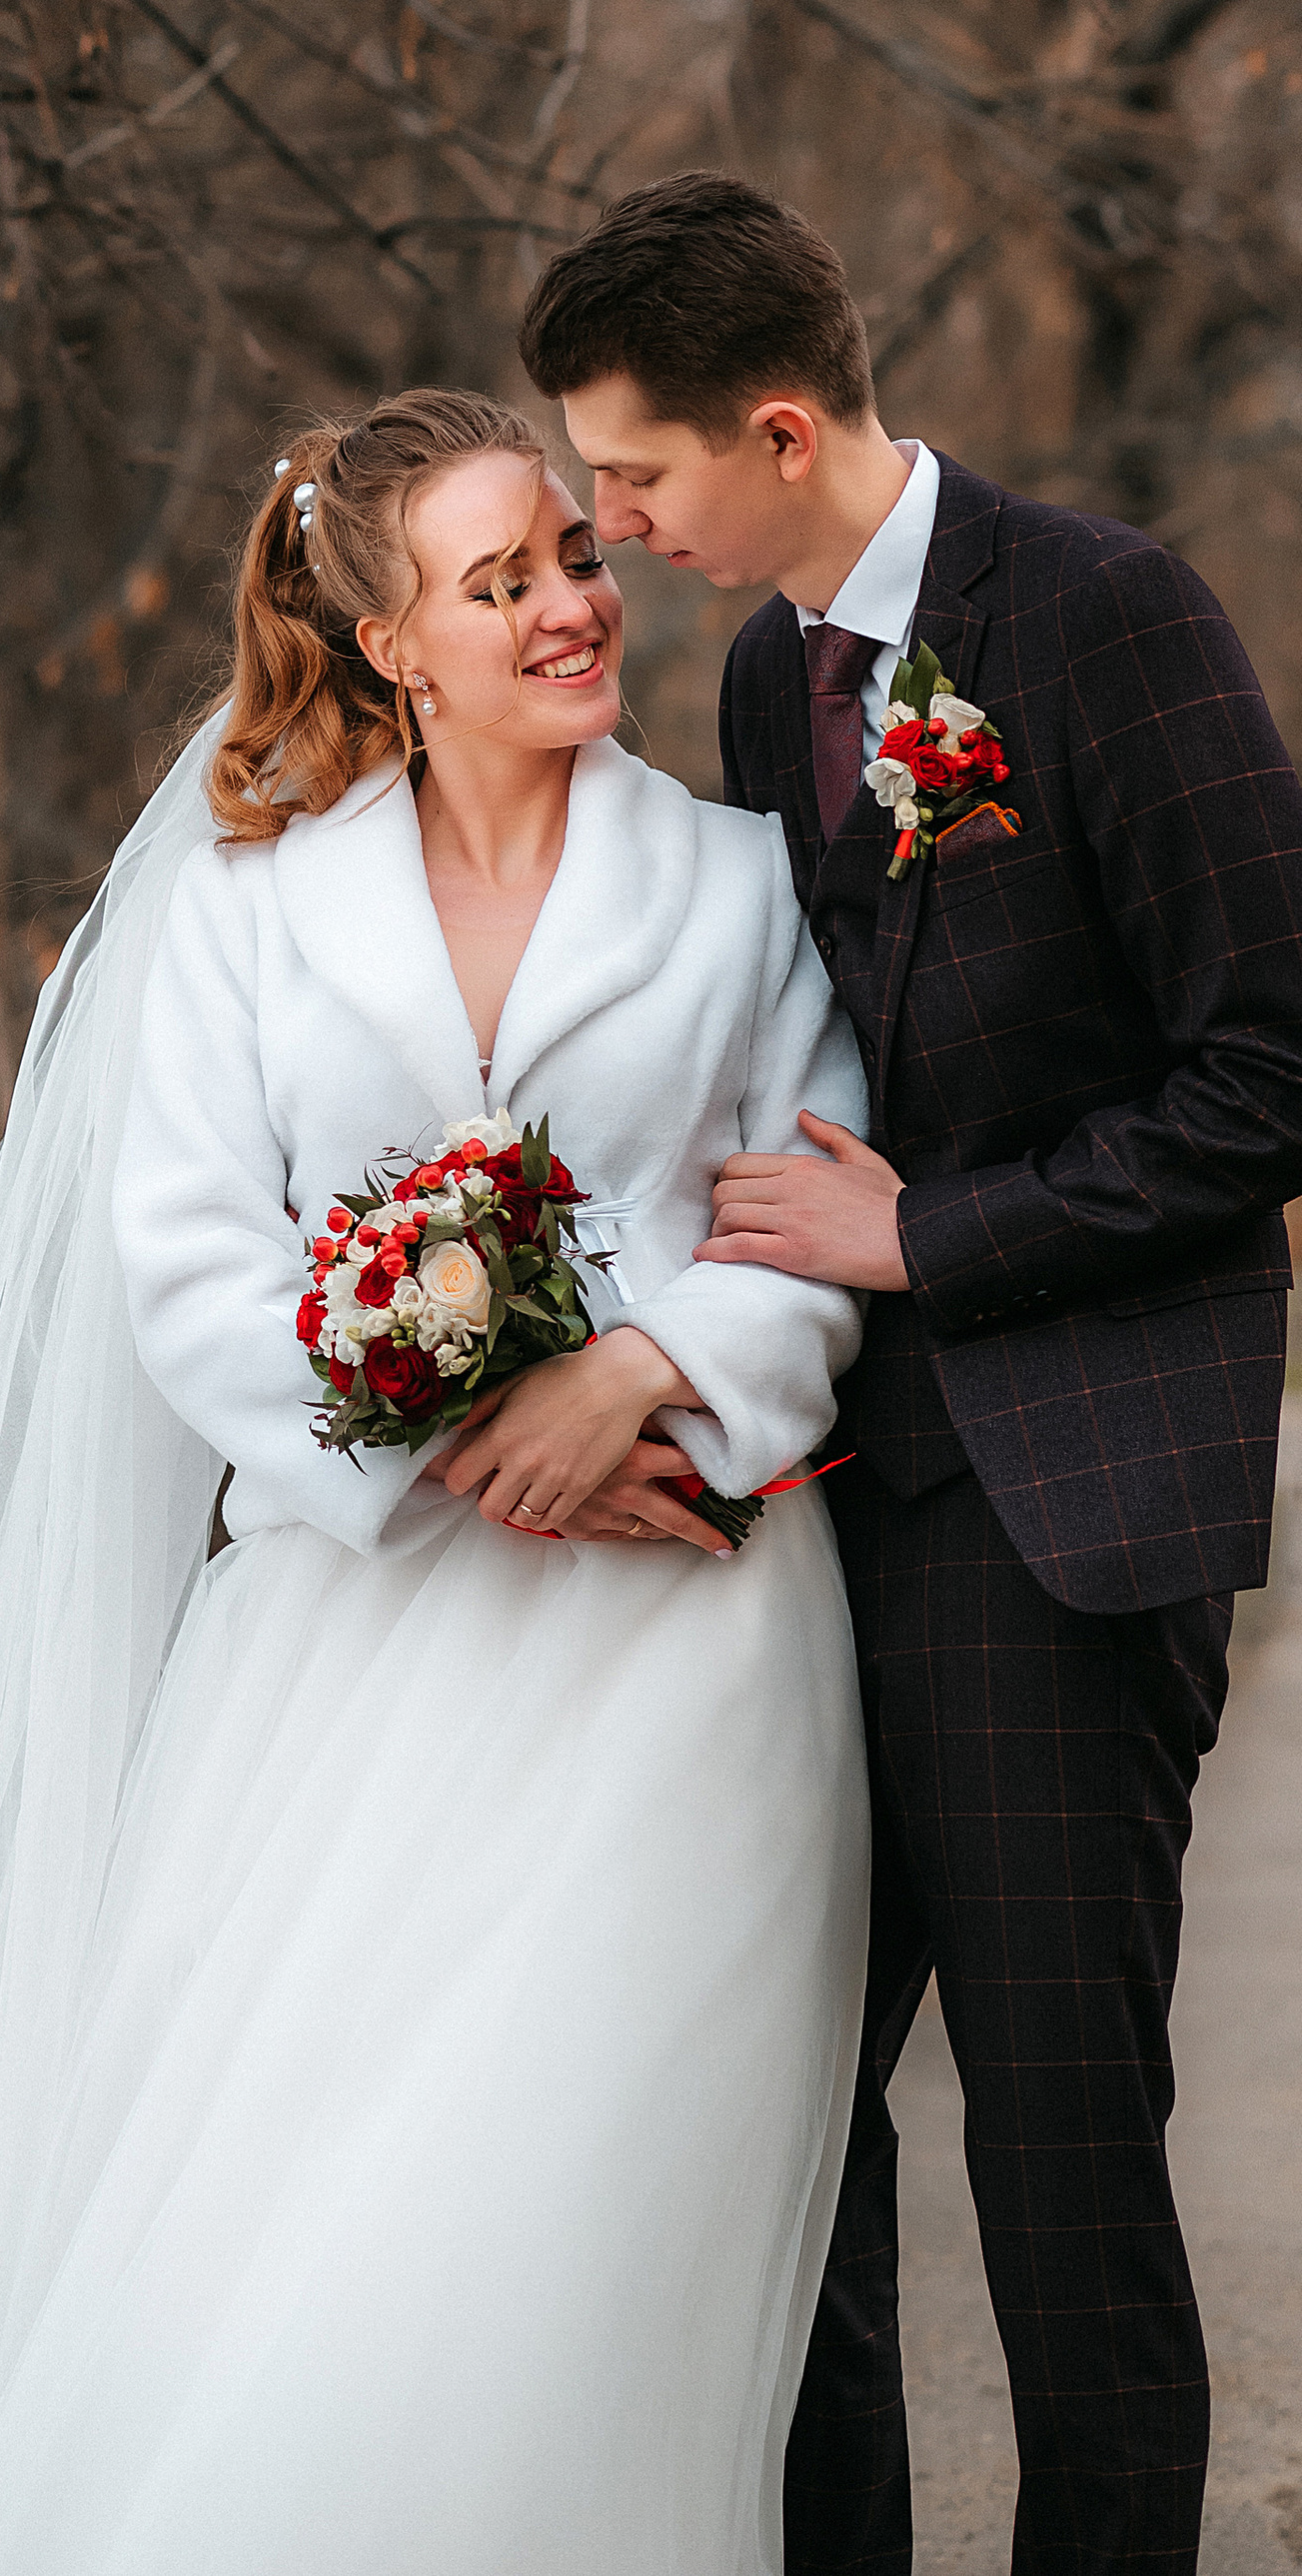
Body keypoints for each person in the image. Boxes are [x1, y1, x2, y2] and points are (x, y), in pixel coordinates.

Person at [0, 387, 875, 2576]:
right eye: (503, 584)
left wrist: (652, 1374)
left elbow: (809, 1215)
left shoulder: (741, 881)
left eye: (570, 560)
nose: (575, 606)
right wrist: (460, 1438)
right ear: (394, 645)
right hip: (337, 1661)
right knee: (310, 2229)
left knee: (578, 2226)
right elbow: (193, 1272)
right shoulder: (246, 917)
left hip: (688, 1653)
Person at [519, 173, 1302, 2576]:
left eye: (634, 479)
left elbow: (1264, 1072)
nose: (608, 531)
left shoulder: (1103, 622)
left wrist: (924, 1231)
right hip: (818, 1515)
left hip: (1065, 1509)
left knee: (1055, 2180)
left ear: (773, 429)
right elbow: (783, 1064)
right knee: (778, 2142)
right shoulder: (772, 681)